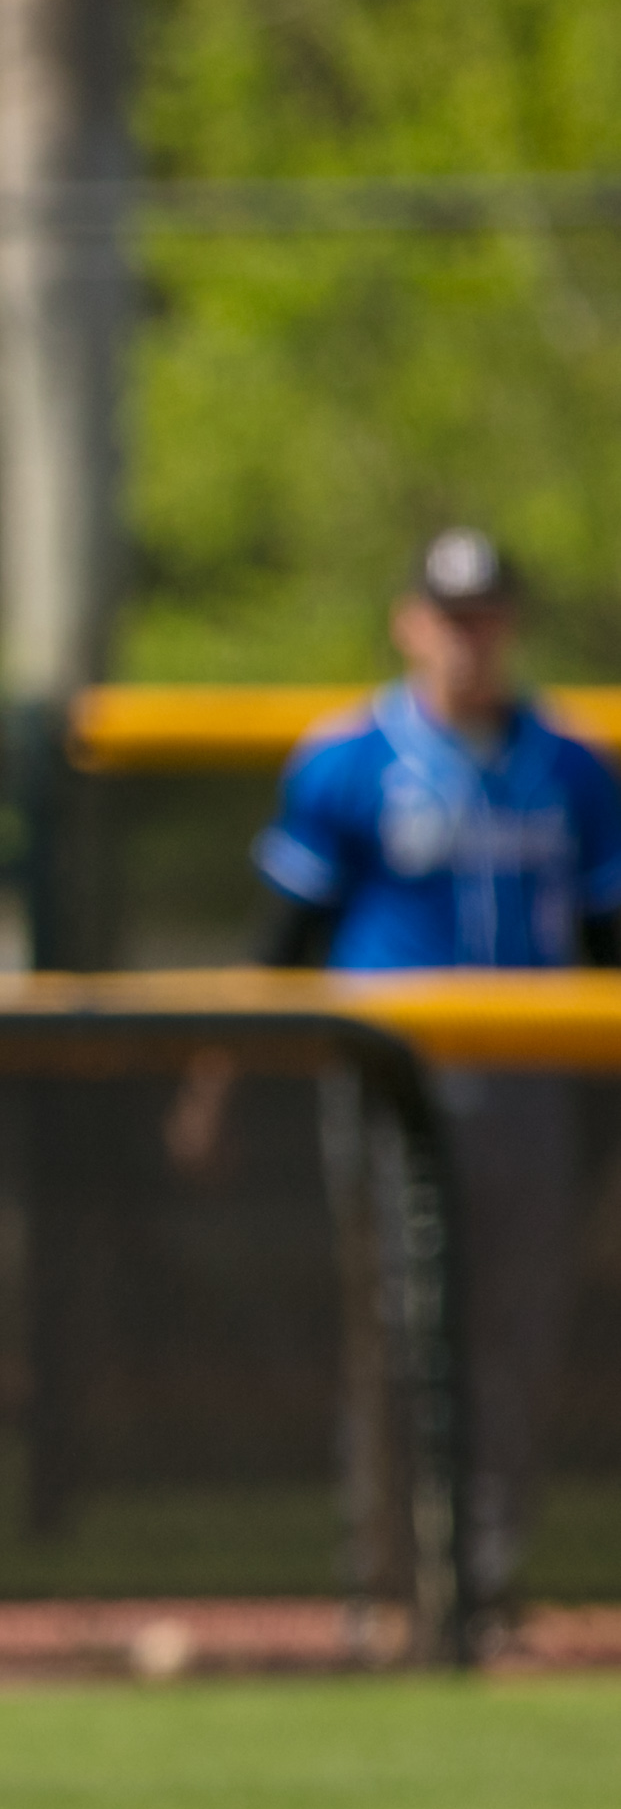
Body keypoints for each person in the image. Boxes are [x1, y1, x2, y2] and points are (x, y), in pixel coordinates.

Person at [250, 526, 621, 1625]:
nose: (467, 639)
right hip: (387, 1078)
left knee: (512, 1332)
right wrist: (213, 1081)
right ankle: (385, 1578)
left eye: (485, 615)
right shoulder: (345, 759)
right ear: (410, 623)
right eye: (448, 617)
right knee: (394, 1337)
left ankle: (480, 1577)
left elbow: (609, 940)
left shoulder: (571, 764)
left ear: (508, 626)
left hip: (528, 1076)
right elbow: (282, 940)